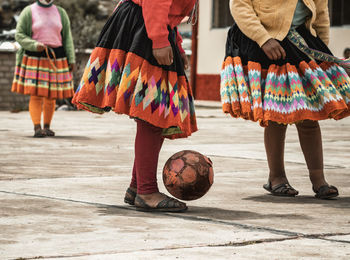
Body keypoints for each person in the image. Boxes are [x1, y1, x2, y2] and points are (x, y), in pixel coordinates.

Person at [72, 0, 198, 212]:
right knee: (152, 114)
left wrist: (174, 42)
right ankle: (146, 192)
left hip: (148, 25)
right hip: (145, 28)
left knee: (155, 113)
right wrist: (159, 40)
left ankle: (137, 186)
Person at [221, 0, 350, 199]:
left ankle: (319, 180)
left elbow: (321, 16)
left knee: (309, 114)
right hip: (263, 43)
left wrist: (322, 54)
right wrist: (263, 39)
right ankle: (276, 178)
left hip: (301, 43)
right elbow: (239, 5)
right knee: (276, 115)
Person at [11, 0, 75, 137]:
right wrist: (34, 45)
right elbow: (19, 35)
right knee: (36, 94)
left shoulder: (61, 13)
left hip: (56, 57)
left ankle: (47, 127)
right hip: (35, 57)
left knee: (51, 95)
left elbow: (67, 38)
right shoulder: (29, 11)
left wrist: (71, 59)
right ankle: (37, 127)